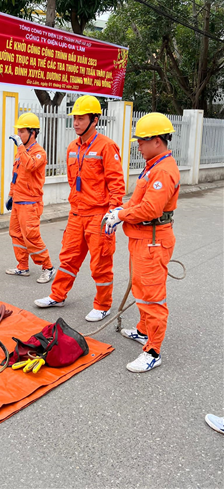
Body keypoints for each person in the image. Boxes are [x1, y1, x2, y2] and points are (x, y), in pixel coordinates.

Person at [35, 95, 126, 320]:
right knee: (68, 258)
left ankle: (103, 305)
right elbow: (71, 178)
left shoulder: (106, 146)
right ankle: (57, 295)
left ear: (95, 119)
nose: (76, 122)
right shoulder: (72, 147)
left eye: (81, 118)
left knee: (100, 263)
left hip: (99, 215)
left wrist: (114, 212)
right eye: (74, 118)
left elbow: (116, 183)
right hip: (77, 213)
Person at [104, 112, 180, 373]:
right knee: (141, 290)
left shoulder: (163, 170)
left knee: (152, 297)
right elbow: (137, 201)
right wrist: (119, 211)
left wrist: (121, 215)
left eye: (142, 140)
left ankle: (153, 351)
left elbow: (149, 209)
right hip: (142, 239)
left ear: (157, 141)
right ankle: (142, 331)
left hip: (153, 241)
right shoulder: (152, 166)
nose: (138, 145)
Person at [5, 112, 56, 284]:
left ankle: (48, 267)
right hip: (18, 200)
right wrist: (11, 195)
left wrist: (20, 146)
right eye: (18, 132)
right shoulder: (21, 152)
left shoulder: (39, 152)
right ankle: (22, 266)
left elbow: (30, 165)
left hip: (31, 202)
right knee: (16, 234)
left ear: (32, 133)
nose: (19, 135)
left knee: (31, 236)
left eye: (22, 132)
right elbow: (16, 175)